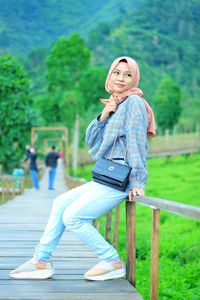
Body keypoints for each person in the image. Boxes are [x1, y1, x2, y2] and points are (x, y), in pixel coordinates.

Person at [10, 56, 156, 281]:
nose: (121, 78)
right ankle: (41, 260)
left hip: (119, 178)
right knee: (60, 203)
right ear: (110, 74)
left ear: (134, 78)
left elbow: (137, 143)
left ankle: (112, 261)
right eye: (117, 72)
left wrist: (138, 182)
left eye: (128, 75)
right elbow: (91, 139)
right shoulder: (116, 102)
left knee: (73, 217)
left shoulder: (134, 103)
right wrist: (105, 114)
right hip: (105, 176)